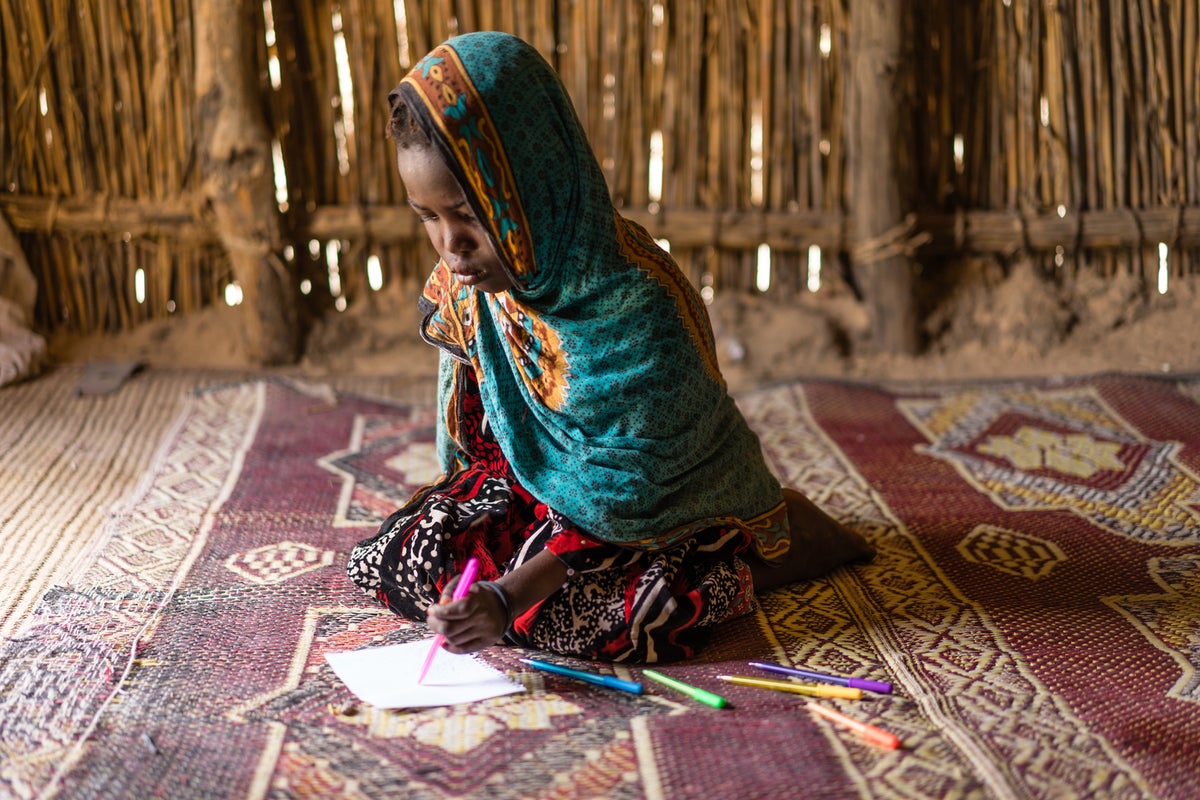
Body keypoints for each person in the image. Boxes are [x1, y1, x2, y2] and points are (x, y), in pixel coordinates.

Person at [346, 31, 874, 664]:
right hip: (546, 497)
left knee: (597, 623)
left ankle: (764, 551)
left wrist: (510, 594)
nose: (449, 244)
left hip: (660, 514)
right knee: (399, 555)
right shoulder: (473, 289)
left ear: (534, 186)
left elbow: (624, 497)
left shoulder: (635, 309)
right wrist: (477, 527)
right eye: (427, 217)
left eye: (469, 213)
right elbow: (483, 453)